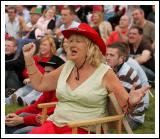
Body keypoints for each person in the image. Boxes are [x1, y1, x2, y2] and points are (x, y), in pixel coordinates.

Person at [22, 23, 149, 134]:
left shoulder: (105, 73)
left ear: (90, 47)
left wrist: (132, 103)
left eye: (78, 41)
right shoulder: (67, 66)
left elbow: (125, 108)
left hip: (84, 129)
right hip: (54, 124)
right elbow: (40, 83)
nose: (71, 44)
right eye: (70, 41)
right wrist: (28, 58)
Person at [5, 55, 65, 134]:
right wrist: (15, 114)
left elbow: (48, 115)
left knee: (21, 130)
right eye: (45, 72)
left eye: (49, 72)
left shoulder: (62, 90)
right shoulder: (49, 87)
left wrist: (22, 120)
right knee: (16, 118)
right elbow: (36, 107)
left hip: (52, 124)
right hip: (43, 119)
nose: (45, 75)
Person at [106, 42, 149, 129]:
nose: (107, 58)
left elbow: (119, 104)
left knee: (97, 120)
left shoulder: (125, 73)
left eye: (112, 55)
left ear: (121, 58)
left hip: (132, 119)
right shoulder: (115, 67)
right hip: (126, 112)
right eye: (106, 54)